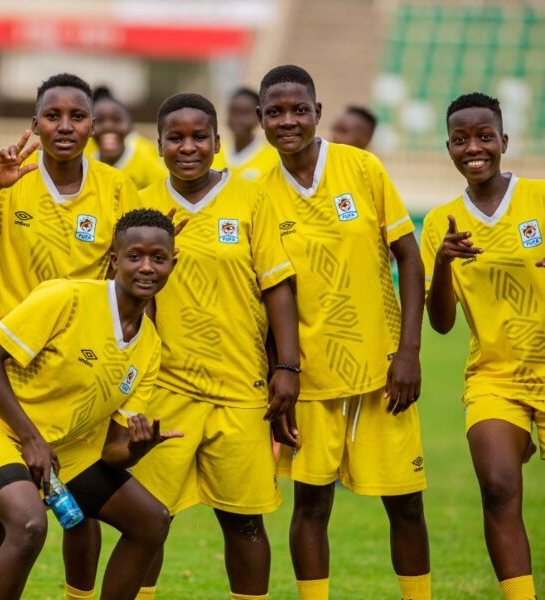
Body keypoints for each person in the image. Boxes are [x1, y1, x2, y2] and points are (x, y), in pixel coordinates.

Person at [0, 72, 140, 600]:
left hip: (80, 369)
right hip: (8, 363)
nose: (65, 126)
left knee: (82, 503)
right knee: (2, 508)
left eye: (77, 116)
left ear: (93, 125)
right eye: (53, 115)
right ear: (35, 124)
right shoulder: (11, 176)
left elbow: (137, 271)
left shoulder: (116, 189)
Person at [0, 208, 179, 600]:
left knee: (151, 521)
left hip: (62, 447)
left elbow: (112, 453)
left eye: (158, 258)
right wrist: (30, 439)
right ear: (115, 260)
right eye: (135, 256)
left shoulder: (149, 348)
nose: (147, 267)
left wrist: (136, 448)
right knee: (28, 523)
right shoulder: (66, 297)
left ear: (172, 263)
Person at [255, 65, 430, 600]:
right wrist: (282, 371)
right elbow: (274, 292)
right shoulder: (261, 195)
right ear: (262, 120)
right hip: (312, 377)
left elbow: (409, 255)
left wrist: (409, 352)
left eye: (299, 109)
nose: (289, 120)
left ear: (318, 113)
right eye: (276, 112)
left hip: (383, 373)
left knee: (405, 503)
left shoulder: (362, 167)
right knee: (311, 504)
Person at [130, 93, 299, 600]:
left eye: (199, 136)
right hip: (165, 388)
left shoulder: (251, 199)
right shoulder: (141, 203)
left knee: (244, 524)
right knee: (148, 520)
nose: (188, 147)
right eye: (175, 138)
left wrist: (286, 367)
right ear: (158, 145)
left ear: (218, 143)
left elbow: (277, 289)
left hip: (240, 389)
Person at [422, 92, 543, 600]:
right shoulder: (439, 222)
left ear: (504, 142)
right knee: (497, 487)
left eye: (484, 136)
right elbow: (443, 324)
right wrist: (444, 265)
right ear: (449, 147)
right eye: (461, 139)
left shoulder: (539, 197)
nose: (474, 147)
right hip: (495, 377)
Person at [91, 86, 166, 190]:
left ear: (130, 125)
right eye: (99, 120)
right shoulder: (83, 158)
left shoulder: (145, 157)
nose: (108, 126)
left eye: (116, 119)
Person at [211, 87, 279, 180]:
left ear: (259, 116)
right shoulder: (214, 153)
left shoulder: (274, 158)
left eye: (245, 113)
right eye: (233, 111)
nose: (237, 119)